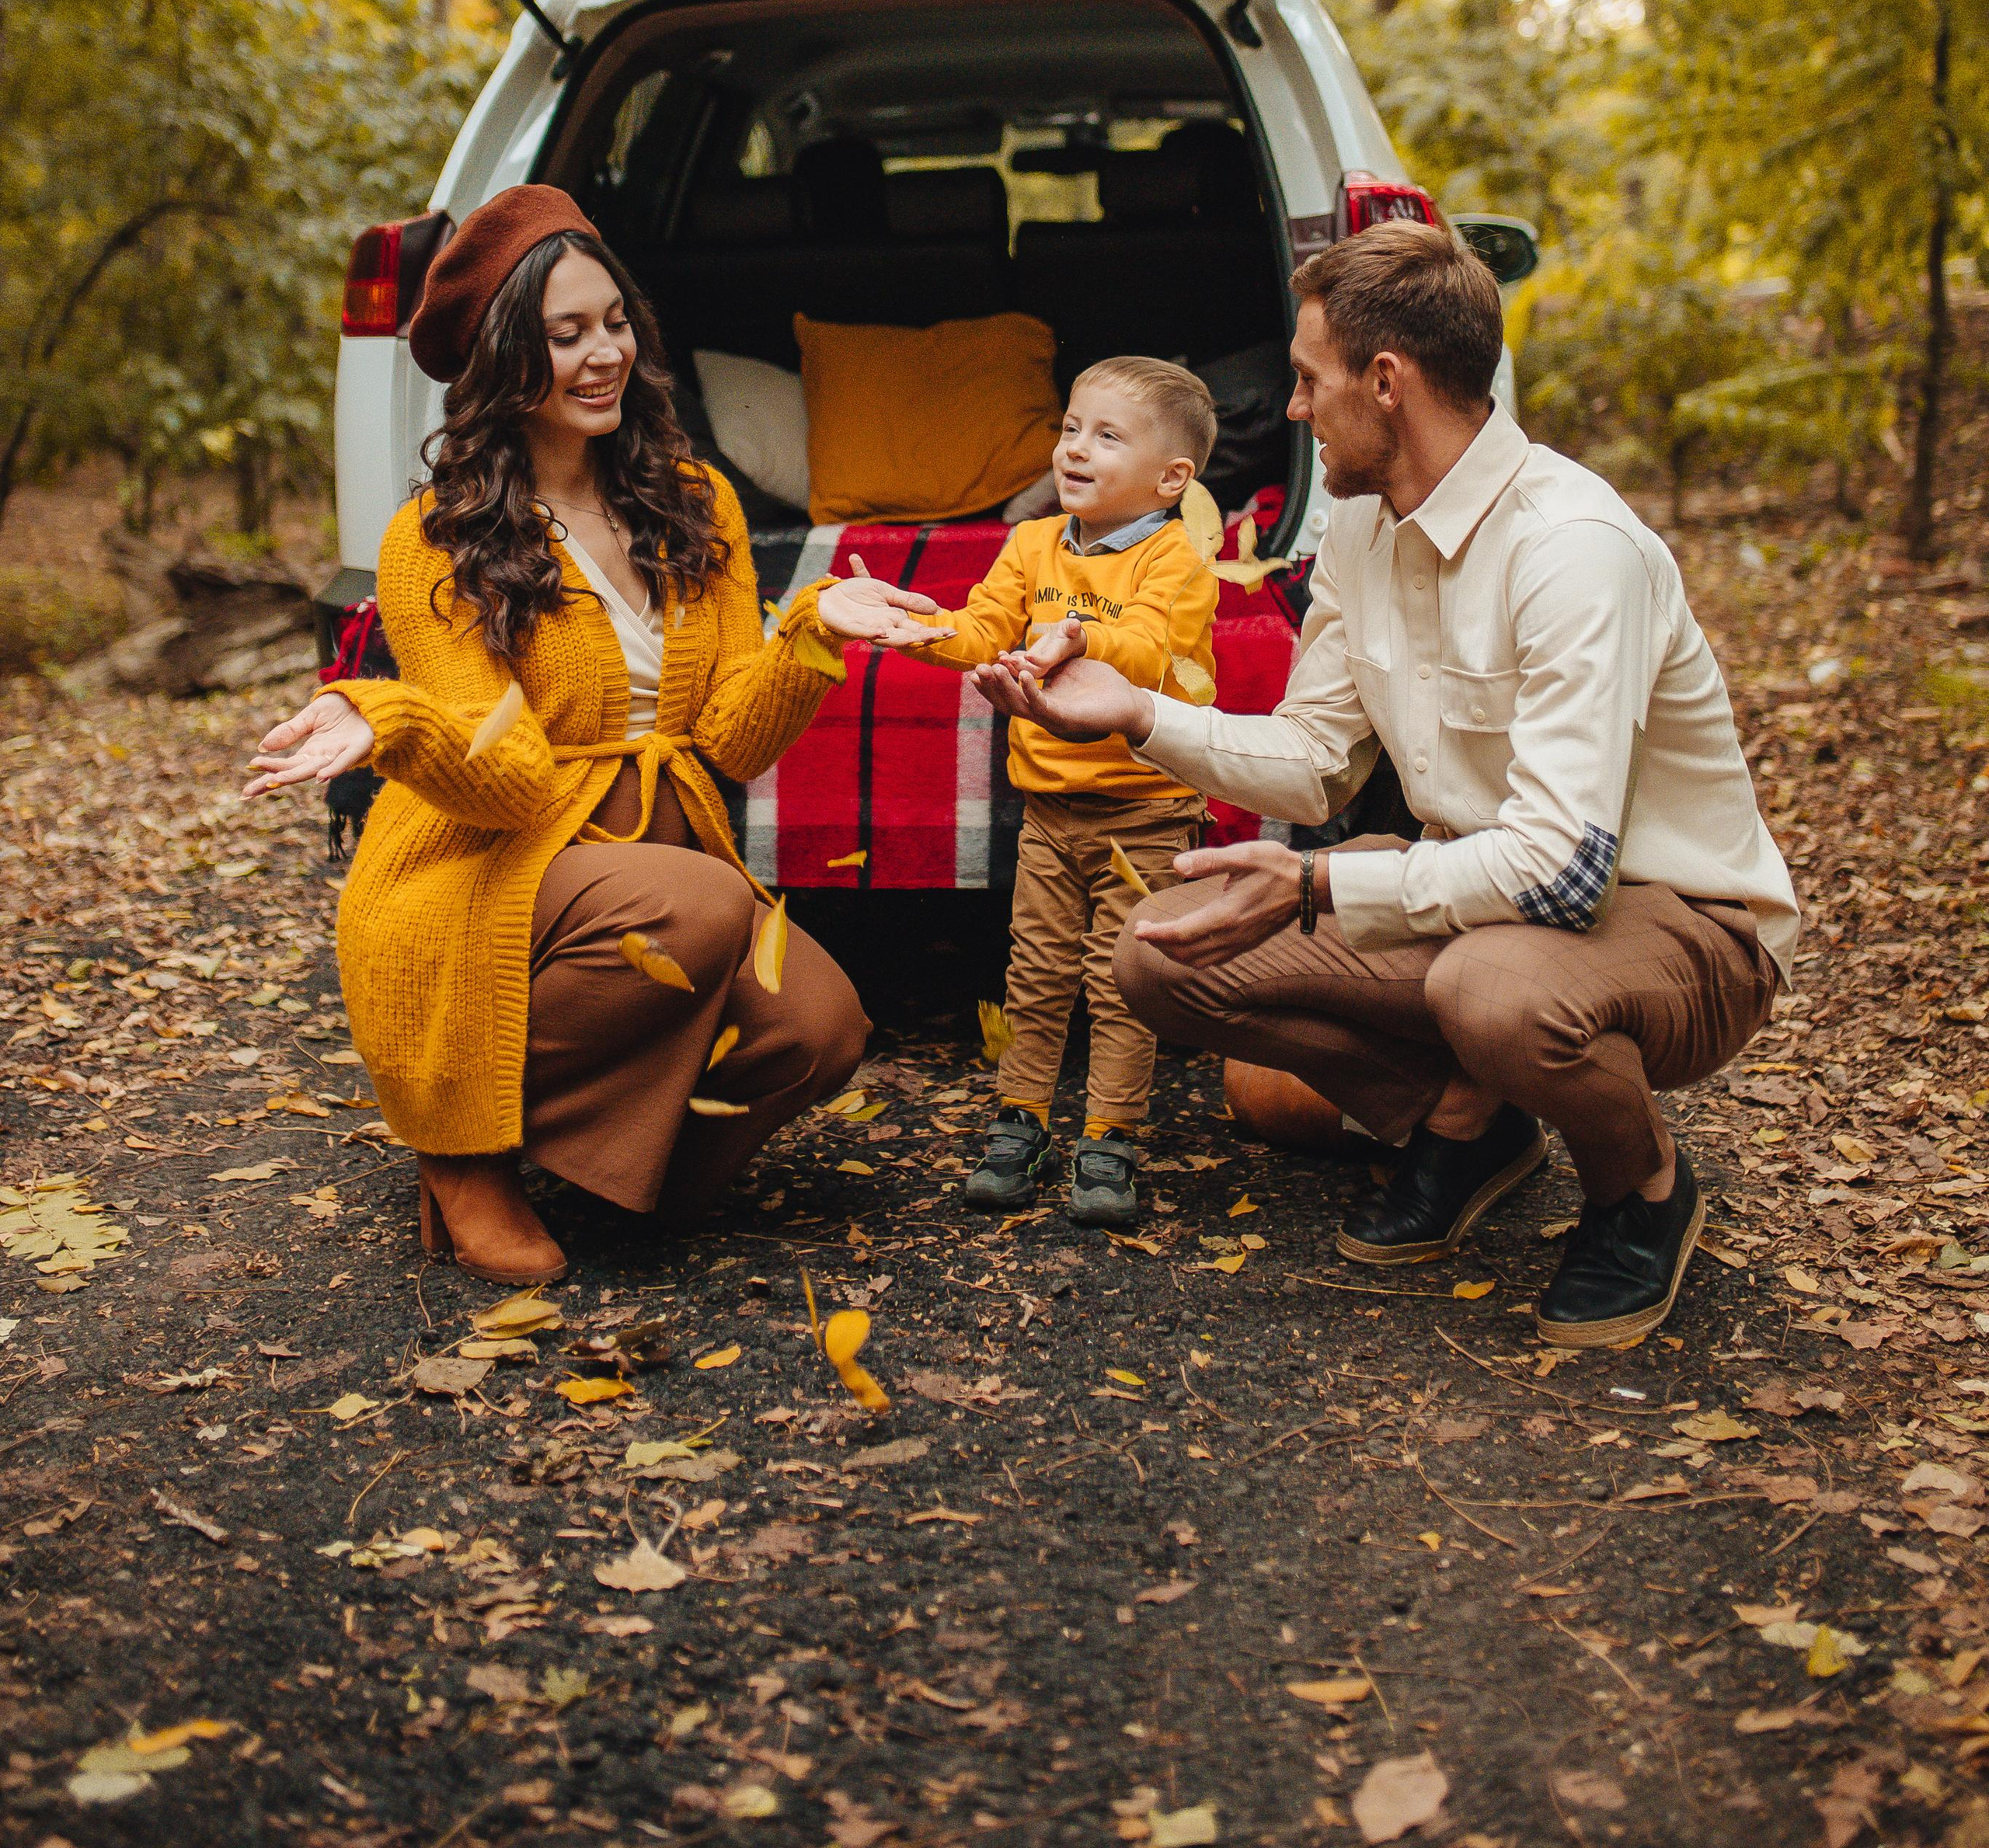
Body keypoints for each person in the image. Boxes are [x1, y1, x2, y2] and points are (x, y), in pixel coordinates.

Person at [974, 222, 1798, 1348]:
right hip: (1476, 901)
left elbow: (1563, 872)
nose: (1294, 408)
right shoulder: (1362, 527)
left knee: (1491, 993)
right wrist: (1138, 715)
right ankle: (1469, 1124)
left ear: (1387, 383)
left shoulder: (1571, 549)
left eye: (1308, 380)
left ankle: (1642, 1188)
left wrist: (1319, 887)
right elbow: (1316, 762)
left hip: (1680, 922)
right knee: (1159, 954)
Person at [246, 185, 945, 1286]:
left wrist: (812, 632)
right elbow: (507, 776)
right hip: (489, 853)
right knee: (699, 906)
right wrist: (388, 716)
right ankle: (460, 1148)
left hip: (655, 847)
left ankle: (616, 1177)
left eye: (614, 322)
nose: (604, 353)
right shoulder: (439, 538)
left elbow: (730, 741)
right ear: (503, 359)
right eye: (565, 334)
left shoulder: (696, 502)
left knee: (819, 1030)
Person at [918, 357, 1221, 1229]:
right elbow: (981, 626)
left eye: (1107, 436)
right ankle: (1021, 1124)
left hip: (1147, 814)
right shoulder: (1031, 545)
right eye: (1070, 429)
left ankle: (1109, 1136)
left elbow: (1151, 650)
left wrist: (1074, 636)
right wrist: (916, 625)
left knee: (1122, 980)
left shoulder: (1177, 560)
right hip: (1049, 812)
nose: (1075, 449)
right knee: (1036, 973)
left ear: (1171, 479)